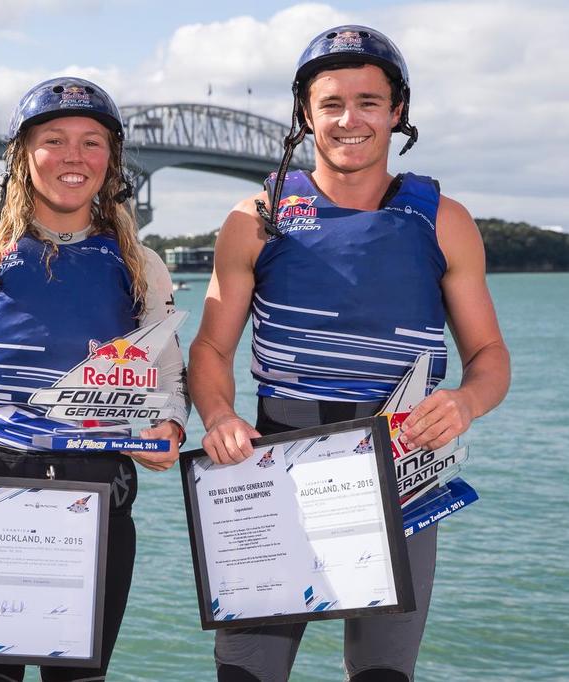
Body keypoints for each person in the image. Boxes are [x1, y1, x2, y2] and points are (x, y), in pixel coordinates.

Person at [188, 26, 511, 682]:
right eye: (331, 103)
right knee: (245, 674)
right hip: (273, 464)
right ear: (306, 115)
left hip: (401, 471)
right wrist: (219, 415)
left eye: (369, 102)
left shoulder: (442, 219)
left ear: (398, 112)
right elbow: (210, 346)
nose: (349, 119)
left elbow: (489, 353)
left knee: (382, 675)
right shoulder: (257, 216)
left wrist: (465, 401)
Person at [0, 76, 188, 682]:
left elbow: (168, 375)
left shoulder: (141, 265)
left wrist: (169, 424)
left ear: (111, 160)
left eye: (92, 142)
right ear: (21, 154)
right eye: (54, 139)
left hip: (99, 504)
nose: (73, 156)